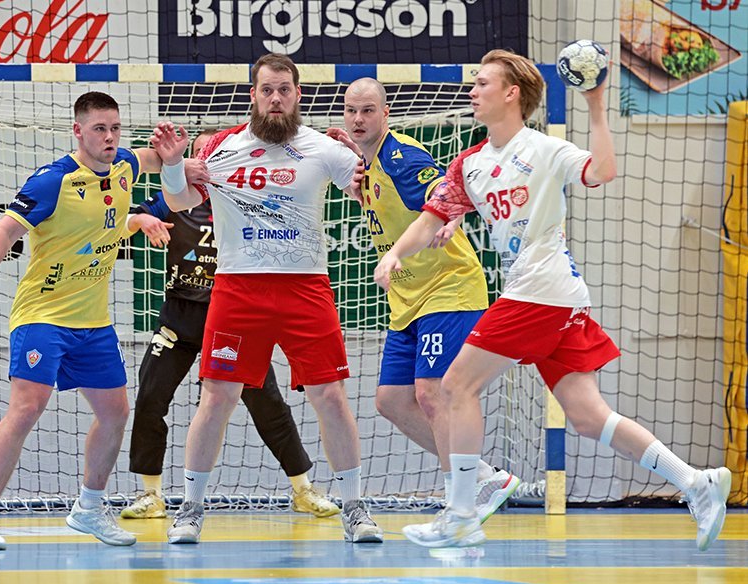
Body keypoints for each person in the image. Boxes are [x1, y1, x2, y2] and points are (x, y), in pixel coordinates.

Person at [374, 50, 731, 550]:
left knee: (454, 386)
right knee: (587, 416)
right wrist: (396, 253)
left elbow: (602, 170)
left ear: (511, 93)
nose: (472, 91)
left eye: (482, 83)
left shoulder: (543, 149)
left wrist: (596, 102)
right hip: (556, 297)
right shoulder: (470, 164)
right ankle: (696, 481)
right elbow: (431, 217)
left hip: (538, 290)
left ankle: (462, 512)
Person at [150, 52, 384, 544]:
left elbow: (369, 191)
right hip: (238, 287)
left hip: (305, 287)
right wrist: (172, 166)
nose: (275, 98)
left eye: (284, 89)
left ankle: (355, 507)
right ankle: (190, 508)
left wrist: (365, 154)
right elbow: (180, 202)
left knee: (330, 396)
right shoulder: (222, 146)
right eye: (267, 90)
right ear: (253, 95)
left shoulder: (323, 147)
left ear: (297, 95)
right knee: (218, 396)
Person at [0, 92, 178, 550]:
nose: (109, 137)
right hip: (42, 315)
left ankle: (89, 508)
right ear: (78, 131)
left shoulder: (124, 165)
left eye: (115, 128)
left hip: (93, 323)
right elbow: (6, 229)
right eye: (100, 129)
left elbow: (158, 160)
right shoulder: (53, 181)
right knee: (28, 407)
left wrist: (183, 161)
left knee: (116, 413)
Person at [121, 129, 339, 520]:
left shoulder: (245, 199)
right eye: (198, 154)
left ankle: (302, 488)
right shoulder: (174, 196)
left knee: (267, 403)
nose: (204, 161)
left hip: (232, 322)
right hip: (180, 318)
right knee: (150, 396)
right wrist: (142, 219)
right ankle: (150, 494)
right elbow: (124, 219)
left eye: (211, 153)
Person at [336, 78, 520, 520]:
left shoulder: (401, 156)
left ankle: (460, 503)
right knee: (391, 400)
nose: (358, 119)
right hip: (408, 300)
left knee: (432, 394)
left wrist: (452, 219)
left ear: (385, 114)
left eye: (368, 111)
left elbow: (447, 192)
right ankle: (482, 477)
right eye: (351, 111)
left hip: (448, 288)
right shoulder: (367, 164)